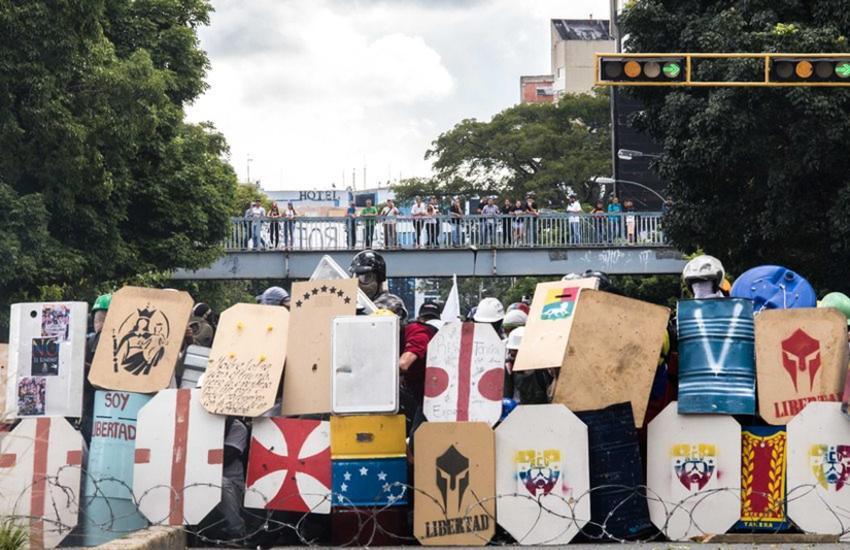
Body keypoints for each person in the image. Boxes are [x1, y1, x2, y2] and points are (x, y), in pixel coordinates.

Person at [399, 302, 441, 434]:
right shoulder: (419, 331)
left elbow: (403, 364)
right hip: (424, 391)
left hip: (430, 394)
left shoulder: (418, 332)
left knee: (416, 439)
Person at [349, 250, 407, 319]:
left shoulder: (392, 303)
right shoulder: (351, 302)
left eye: (366, 278)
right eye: (355, 277)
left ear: (379, 279)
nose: (358, 284)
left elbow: (391, 324)